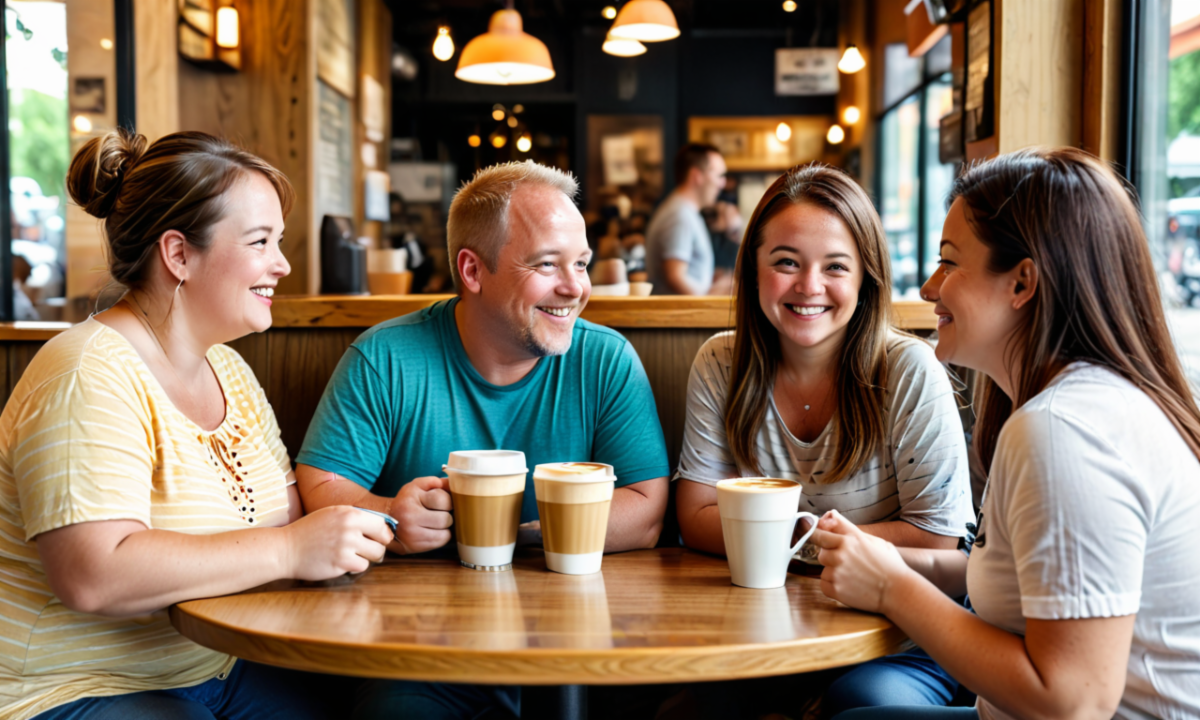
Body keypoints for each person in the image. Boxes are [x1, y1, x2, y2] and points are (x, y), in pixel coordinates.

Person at [0, 129, 393, 720]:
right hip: (69, 686)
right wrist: (291, 550)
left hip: (213, 664)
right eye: (260, 242)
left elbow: (287, 518)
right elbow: (94, 575)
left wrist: (388, 520)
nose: (282, 265)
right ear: (179, 254)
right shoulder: (86, 372)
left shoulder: (228, 368)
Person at [817, 147, 1200, 720]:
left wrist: (891, 586)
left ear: (1022, 282)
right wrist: (890, 560)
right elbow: (1024, 578)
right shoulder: (1072, 405)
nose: (927, 288)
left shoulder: (1062, 431)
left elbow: (1073, 701)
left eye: (949, 263)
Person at [294, 160, 670, 720]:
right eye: (547, 264)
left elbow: (645, 510)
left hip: (587, 643)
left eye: (582, 264)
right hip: (423, 650)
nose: (575, 288)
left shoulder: (605, 359)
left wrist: (504, 534)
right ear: (472, 270)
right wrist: (391, 519)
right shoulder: (386, 357)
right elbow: (321, 485)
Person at [674, 163, 976, 719]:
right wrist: (818, 539)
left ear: (866, 277)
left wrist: (777, 537)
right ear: (753, 270)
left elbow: (935, 540)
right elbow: (694, 514)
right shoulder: (721, 361)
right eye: (786, 262)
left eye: (835, 266)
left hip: (900, 638)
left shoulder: (907, 369)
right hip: (761, 629)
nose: (808, 286)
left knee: (859, 705)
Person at [645, 143, 728, 295]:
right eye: (719, 175)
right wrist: (709, 297)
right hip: (678, 317)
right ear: (697, 176)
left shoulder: (684, 211)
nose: (723, 183)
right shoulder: (679, 215)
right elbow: (675, 276)